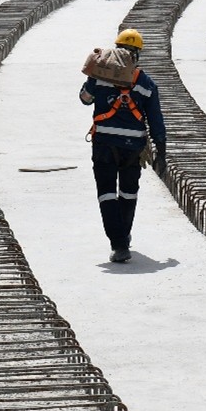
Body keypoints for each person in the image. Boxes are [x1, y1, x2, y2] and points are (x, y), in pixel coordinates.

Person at [80, 29, 166, 263]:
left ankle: (118, 244)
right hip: (133, 146)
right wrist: (161, 151)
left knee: (106, 193)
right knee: (128, 192)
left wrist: (94, 82)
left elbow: (84, 99)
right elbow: (156, 119)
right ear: (137, 54)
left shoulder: (99, 74)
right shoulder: (145, 82)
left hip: (104, 143)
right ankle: (123, 236)